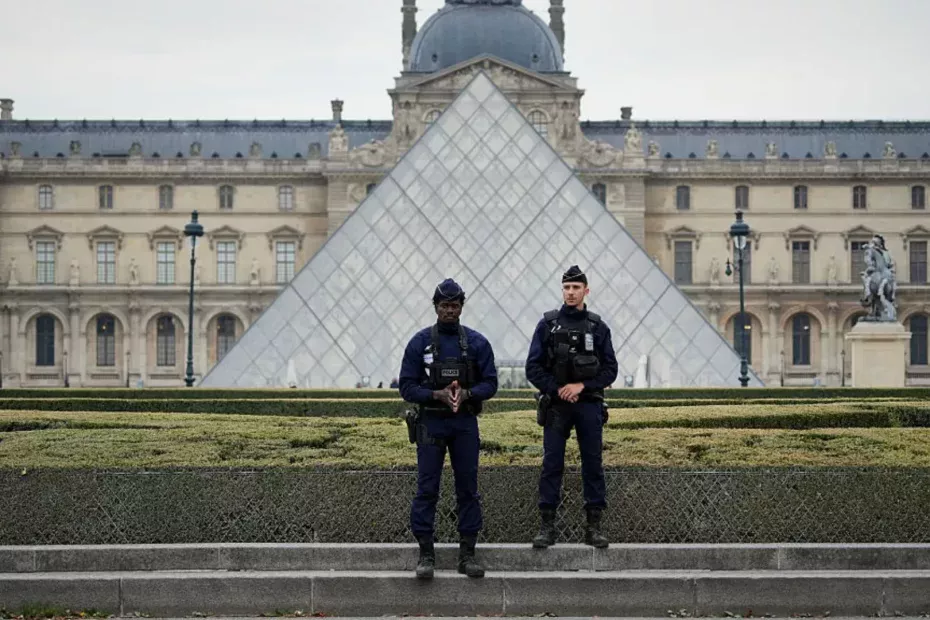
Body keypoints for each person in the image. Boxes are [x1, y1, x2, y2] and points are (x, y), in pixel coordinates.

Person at [398, 278, 498, 580]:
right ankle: (426, 554)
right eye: (444, 306)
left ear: (461, 307)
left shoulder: (478, 343)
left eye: (454, 306)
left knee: (468, 488)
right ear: (436, 306)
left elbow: (491, 383)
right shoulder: (419, 343)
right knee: (427, 489)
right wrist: (436, 395)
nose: (450, 311)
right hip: (431, 421)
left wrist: (467, 394)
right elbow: (406, 387)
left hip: (464, 422)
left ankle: (467, 554)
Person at [525, 265, 619, 549]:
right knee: (551, 464)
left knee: (593, 465)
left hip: (588, 405)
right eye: (566, 287)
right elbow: (533, 368)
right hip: (557, 406)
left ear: (586, 291)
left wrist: (581, 387)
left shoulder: (598, 327)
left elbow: (611, 370)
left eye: (576, 287)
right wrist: (558, 390)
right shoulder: (547, 325)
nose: (570, 292)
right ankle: (547, 527)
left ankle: (594, 527)